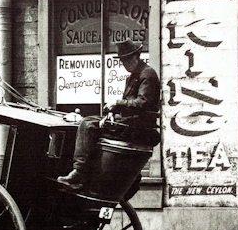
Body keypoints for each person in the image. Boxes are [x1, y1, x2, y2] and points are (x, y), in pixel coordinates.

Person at [57, 40, 161, 191]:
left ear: (136, 57)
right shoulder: (135, 75)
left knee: (87, 124)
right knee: (93, 123)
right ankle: (89, 171)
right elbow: (130, 104)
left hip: (137, 126)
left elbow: (142, 103)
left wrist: (117, 103)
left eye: (128, 59)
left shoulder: (147, 74)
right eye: (123, 61)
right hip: (130, 122)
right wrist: (113, 112)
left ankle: (79, 172)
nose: (126, 64)